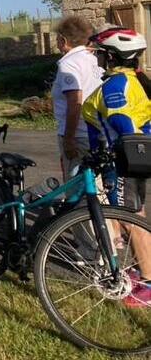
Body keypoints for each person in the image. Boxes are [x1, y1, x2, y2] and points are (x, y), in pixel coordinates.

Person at [83, 26, 151, 308]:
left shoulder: (115, 87)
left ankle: (148, 282)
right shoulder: (135, 80)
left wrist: (115, 154)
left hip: (122, 161)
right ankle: (143, 272)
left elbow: (126, 125)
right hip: (129, 161)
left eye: (101, 54)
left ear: (112, 56)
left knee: (129, 218)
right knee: (134, 215)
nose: (97, 59)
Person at [52, 16, 102, 181]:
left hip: (78, 134)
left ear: (64, 40)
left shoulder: (69, 63)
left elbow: (74, 102)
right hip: (95, 131)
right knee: (95, 185)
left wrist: (68, 139)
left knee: (75, 186)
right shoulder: (92, 60)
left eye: (58, 38)